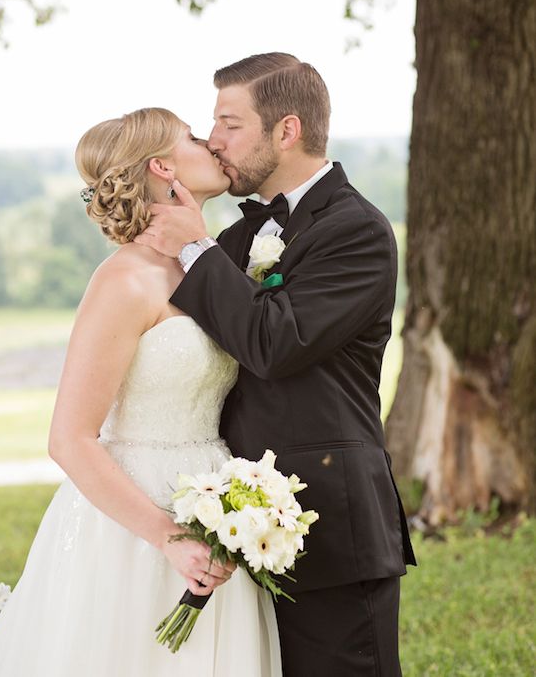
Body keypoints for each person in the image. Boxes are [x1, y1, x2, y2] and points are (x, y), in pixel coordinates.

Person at [135, 53, 417, 677]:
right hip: (238, 526)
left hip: (331, 525)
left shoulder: (358, 231)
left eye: (230, 123)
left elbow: (274, 343)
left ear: (285, 131)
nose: (213, 140)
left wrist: (191, 243)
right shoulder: (234, 240)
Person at [0, 107, 282, 677]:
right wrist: (168, 538)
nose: (210, 144)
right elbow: (70, 438)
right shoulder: (123, 281)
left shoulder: (213, 270)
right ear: (164, 167)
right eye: (192, 136)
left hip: (214, 498)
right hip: (129, 524)